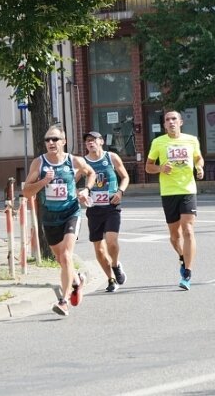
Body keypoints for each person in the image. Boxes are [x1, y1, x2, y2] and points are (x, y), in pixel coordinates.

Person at [23, 126, 96, 316]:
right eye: (47, 140)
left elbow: (91, 173)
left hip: (71, 213)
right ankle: (77, 280)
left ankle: (63, 301)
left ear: (63, 142)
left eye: (55, 139)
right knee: (60, 259)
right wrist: (43, 182)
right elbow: (26, 191)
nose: (50, 143)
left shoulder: (74, 161)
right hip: (49, 217)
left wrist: (86, 190)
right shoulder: (39, 164)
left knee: (65, 255)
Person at [145, 110, 204, 290]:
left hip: (187, 189)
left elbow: (198, 158)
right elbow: (148, 167)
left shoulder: (191, 140)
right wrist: (161, 168)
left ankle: (187, 271)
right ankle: (181, 255)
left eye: (174, 119)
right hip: (169, 192)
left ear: (180, 122)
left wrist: (199, 167)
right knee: (174, 235)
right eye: (167, 120)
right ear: (164, 125)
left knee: (188, 230)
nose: (171, 122)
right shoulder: (158, 142)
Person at [83, 131, 130, 293]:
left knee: (111, 241)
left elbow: (125, 177)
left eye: (93, 140)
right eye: (87, 141)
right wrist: (80, 193)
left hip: (111, 205)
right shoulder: (83, 162)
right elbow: (71, 181)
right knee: (99, 248)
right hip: (94, 207)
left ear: (101, 141)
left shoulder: (111, 157)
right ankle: (110, 279)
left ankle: (116, 264)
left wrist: (120, 192)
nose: (90, 143)